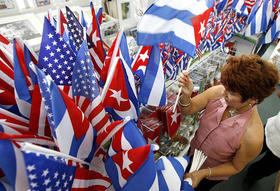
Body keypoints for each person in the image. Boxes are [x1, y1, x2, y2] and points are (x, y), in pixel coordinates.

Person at [178, 54, 279, 190]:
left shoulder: (253, 136)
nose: (224, 92)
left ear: (253, 99)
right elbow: (188, 109)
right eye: (226, 86)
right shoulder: (218, 92)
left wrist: (203, 173)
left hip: (210, 173)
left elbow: (236, 166)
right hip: (191, 153)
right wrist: (186, 94)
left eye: (232, 92)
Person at [243, 89, 280, 189]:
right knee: (249, 151)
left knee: (264, 169)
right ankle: (240, 161)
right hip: (271, 130)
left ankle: (252, 175)